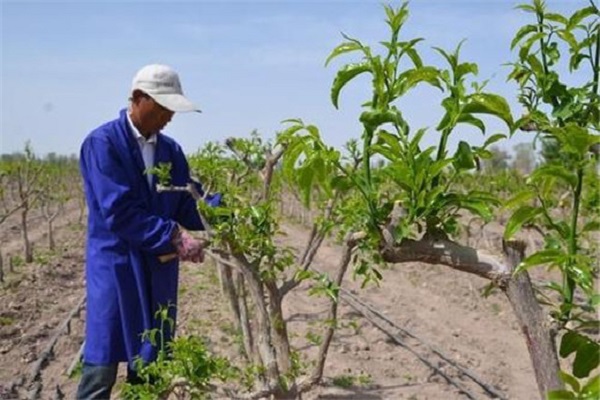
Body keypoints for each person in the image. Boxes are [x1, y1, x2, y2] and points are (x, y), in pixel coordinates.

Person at [77, 64, 210, 399]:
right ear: (138, 99)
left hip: (158, 269)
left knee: (151, 364)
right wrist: (175, 236)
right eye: (163, 107)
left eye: (172, 110)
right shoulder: (102, 144)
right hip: (116, 267)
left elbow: (186, 201)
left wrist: (221, 212)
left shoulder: (171, 151)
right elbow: (118, 211)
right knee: (102, 362)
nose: (168, 116)